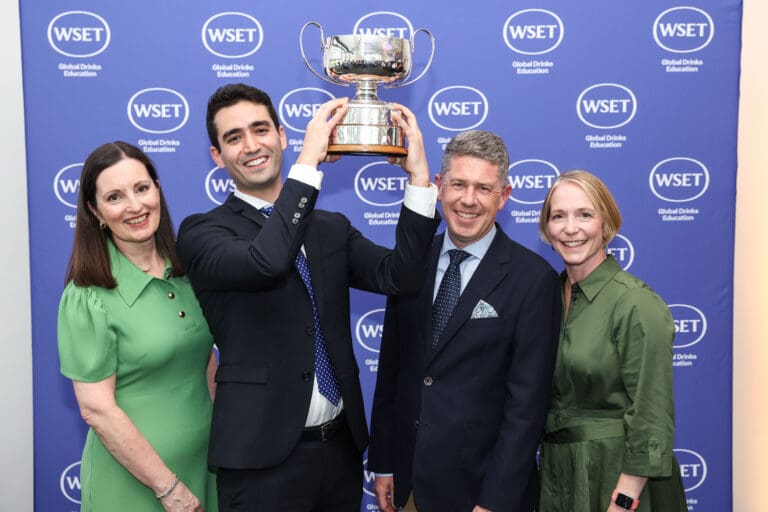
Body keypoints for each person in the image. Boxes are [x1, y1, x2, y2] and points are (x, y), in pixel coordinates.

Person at [176, 83, 440, 512]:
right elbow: (268, 261)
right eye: (234, 137)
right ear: (216, 156)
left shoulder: (329, 227)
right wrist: (307, 163)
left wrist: (419, 179)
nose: (251, 145)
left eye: (260, 130)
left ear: (281, 135)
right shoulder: (203, 232)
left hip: (340, 449)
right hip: (260, 461)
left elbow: (402, 277)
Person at [368, 130, 562, 512]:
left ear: (504, 197)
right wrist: (383, 462)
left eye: (484, 188)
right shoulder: (410, 262)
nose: (468, 200)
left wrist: (496, 500)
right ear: (439, 187)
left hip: (483, 494)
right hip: (409, 485)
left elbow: (526, 407)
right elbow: (392, 370)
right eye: (458, 184)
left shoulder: (533, 279)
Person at [57, 141, 218, 512]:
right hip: (139, 486)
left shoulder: (186, 273)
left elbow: (204, 363)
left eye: (142, 189)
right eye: (114, 197)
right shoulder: (88, 296)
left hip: (205, 470)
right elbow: (96, 409)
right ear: (95, 211)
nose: (134, 206)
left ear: (157, 190)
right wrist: (167, 488)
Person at [537, 170, 687, 511]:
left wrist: (624, 497)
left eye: (584, 215)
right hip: (558, 476)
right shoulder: (544, 299)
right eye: (558, 216)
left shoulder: (637, 303)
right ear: (547, 229)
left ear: (607, 224)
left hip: (619, 480)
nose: (570, 228)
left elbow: (651, 413)